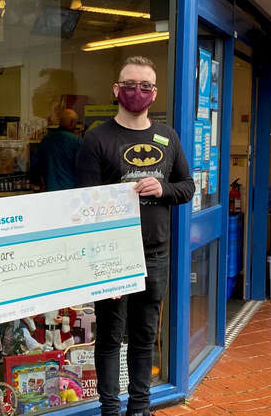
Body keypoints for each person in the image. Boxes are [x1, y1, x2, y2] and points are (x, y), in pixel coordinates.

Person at [76, 56, 194, 416]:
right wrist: (98, 262)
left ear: (154, 94)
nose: (136, 92)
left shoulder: (167, 136)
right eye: (129, 84)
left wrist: (162, 189)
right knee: (111, 337)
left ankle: (140, 407)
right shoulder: (96, 138)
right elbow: (83, 205)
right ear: (116, 89)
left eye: (145, 86)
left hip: (155, 254)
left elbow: (187, 187)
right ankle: (110, 409)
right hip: (112, 255)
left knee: (144, 336)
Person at [30, 108, 82, 191]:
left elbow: (35, 164)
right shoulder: (77, 141)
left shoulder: (46, 140)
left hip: (50, 189)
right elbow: (83, 167)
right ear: (72, 122)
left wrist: (36, 182)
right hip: (71, 189)